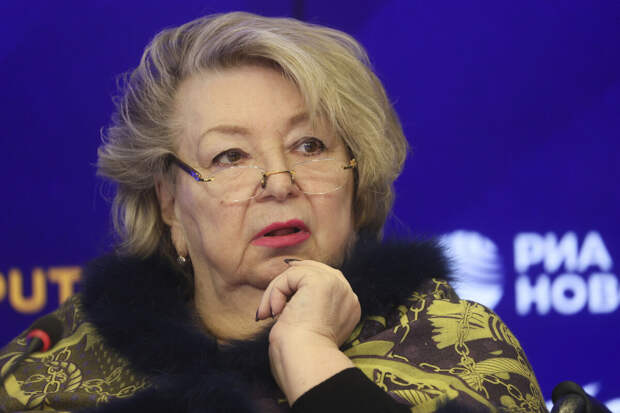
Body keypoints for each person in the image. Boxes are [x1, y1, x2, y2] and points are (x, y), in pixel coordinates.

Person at [0, 12, 547, 413]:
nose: (280, 183)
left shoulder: (460, 345)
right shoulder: (49, 374)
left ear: (358, 178)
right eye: (230, 156)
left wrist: (308, 354)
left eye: (310, 145)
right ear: (169, 204)